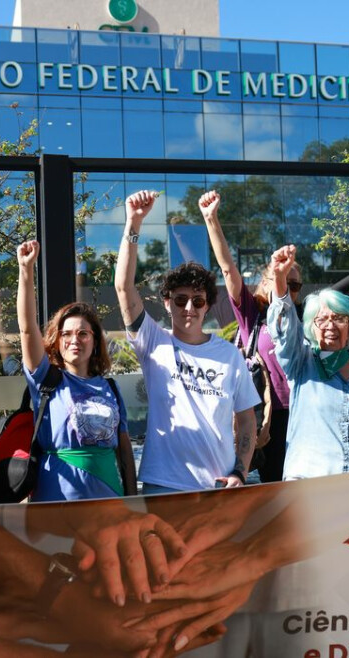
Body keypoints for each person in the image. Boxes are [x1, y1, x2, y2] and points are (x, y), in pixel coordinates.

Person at [115, 190, 259, 493]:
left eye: (198, 300)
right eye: (180, 300)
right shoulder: (154, 342)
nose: (189, 308)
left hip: (218, 488)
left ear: (207, 305)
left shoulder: (229, 354)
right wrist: (134, 223)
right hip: (163, 486)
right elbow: (123, 287)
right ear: (167, 304)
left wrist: (241, 472)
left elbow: (246, 421)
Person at [16, 240, 136, 501]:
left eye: (83, 333)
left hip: (109, 497)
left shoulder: (111, 388)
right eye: (66, 334)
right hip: (56, 497)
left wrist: (134, 499)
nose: (74, 339)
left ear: (94, 342)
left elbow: (124, 451)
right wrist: (25, 271)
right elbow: (27, 329)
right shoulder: (45, 379)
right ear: (57, 342)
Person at [200, 189, 301, 482]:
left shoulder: (307, 317)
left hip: (305, 410)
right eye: (281, 279)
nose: (288, 288)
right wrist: (211, 220)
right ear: (266, 282)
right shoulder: (254, 315)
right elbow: (229, 270)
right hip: (269, 416)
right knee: (273, 494)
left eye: (295, 285)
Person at [263, 245, 349, 479]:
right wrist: (280, 280)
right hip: (309, 491)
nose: (330, 326)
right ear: (311, 327)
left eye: (339, 318)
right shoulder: (301, 362)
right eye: (322, 319)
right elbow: (285, 330)